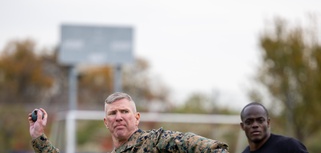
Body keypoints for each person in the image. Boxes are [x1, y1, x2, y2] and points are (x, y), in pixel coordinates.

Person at [28, 92, 229, 153]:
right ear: (106, 122)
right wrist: (38, 136)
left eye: (125, 111)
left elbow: (193, 143)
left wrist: (217, 151)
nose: (119, 117)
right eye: (113, 113)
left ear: (137, 117)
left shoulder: (155, 141)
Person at [240, 102, 308, 153]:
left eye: (260, 120)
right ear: (242, 126)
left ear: (268, 123)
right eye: (249, 122)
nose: (255, 125)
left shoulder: (289, 146)